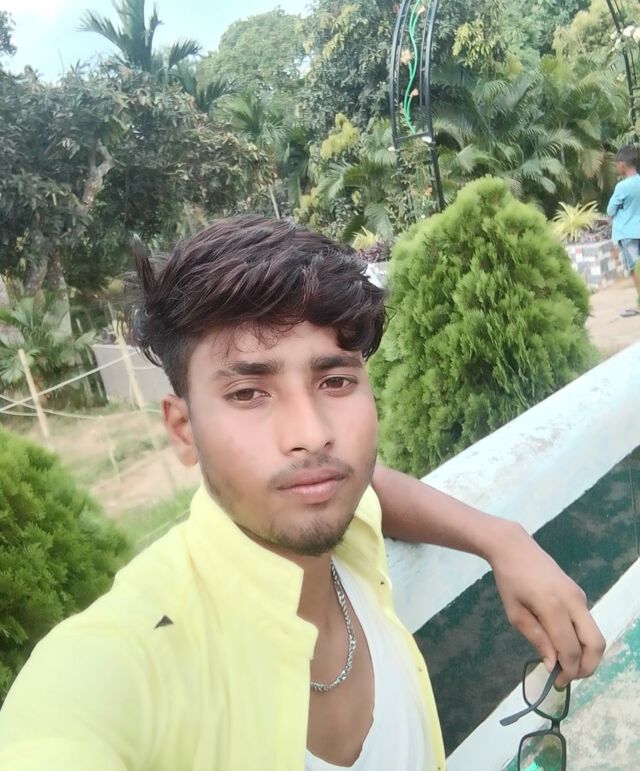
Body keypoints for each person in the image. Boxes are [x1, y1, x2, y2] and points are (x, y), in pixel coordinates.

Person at [0, 216, 605, 770]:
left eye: (335, 381)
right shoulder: (119, 662)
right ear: (184, 430)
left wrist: (502, 540)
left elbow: (372, 484)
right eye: (248, 394)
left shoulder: (344, 527)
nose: (312, 435)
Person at [607, 144, 640, 316]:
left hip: (627, 232)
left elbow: (610, 210)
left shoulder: (622, 187)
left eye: (616, 164)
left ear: (622, 164)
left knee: (635, 269)